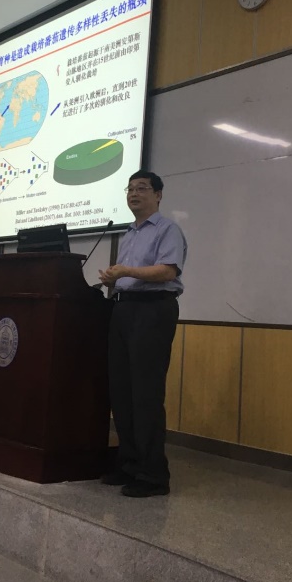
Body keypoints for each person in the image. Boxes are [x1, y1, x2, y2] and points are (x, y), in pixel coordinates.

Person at [98, 170, 187, 497]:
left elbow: (167, 271)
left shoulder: (167, 229)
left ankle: (153, 475)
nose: (134, 194)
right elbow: (129, 276)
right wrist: (114, 279)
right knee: (122, 391)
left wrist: (126, 271)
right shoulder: (129, 233)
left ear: (158, 195)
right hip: (124, 309)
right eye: (130, 189)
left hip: (153, 310)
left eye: (142, 188)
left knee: (145, 393)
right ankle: (130, 463)